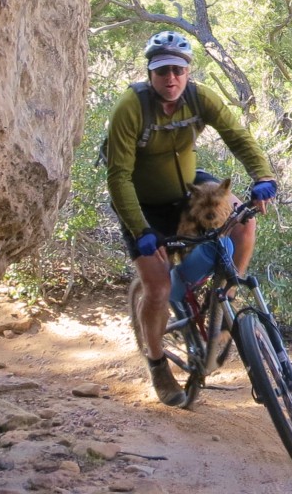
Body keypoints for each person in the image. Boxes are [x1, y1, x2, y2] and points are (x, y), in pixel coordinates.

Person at [104, 31, 277, 407]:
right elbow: (118, 176)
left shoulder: (199, 97)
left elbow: (238, 136)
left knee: (244, 221)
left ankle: (225, 301)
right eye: (162, 71)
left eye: (178, 71)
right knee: (158, 289)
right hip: (142, 202)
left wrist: (263, 175)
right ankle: (156, 363)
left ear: (187, 72)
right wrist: (141, 230)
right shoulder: (131, 108)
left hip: (188, 190)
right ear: (150, 73)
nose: (171, 79)